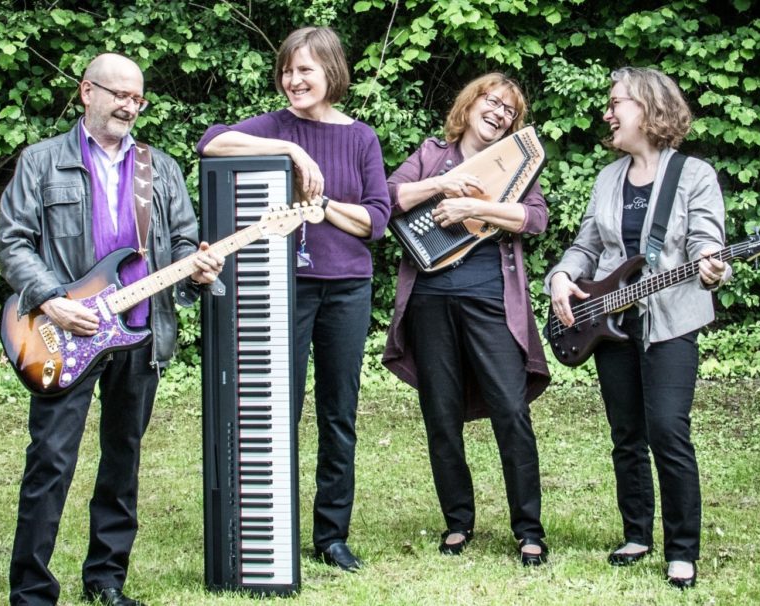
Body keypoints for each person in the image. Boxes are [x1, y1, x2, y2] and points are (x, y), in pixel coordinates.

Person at [0, 52, 223, 606]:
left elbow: (185, 240)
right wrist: (52, 301)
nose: (129, 106)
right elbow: (13, 242)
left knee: (123, 461)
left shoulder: (159, 167)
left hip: (139, 334)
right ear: (87, 92)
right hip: (65, 332)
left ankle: (105, 581)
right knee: (51, 461)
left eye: (137, 97)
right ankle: (31, 592)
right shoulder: (42, 161)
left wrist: (198, 268)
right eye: (119, 94)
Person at [196, 26, 391, 572]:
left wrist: (322, 205)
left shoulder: (361, 138)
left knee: (338, 412)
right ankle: (271, 526)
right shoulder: (275, 127)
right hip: (285, 288)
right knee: (277, 408)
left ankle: (331, 535)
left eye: (305, 69)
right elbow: (211, 143)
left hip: (347, 289)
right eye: (287, 70)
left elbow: (376, 220)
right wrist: (288, 148)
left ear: (332, 71)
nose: (293, 79)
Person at [545, 66, 730, 589]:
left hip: (670, 322)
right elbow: (586, 247)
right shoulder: (608, 178)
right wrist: (561, 277)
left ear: (648, 108)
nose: (608, 113)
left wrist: (713, 265)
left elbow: (707, 241)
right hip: (609, 323)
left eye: (616, 103)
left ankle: (682, 549)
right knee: (626, 434)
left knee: (667, 430)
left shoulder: (693, 175)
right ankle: (636, 533)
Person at [381, 73, 552, 566]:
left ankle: (529, 529)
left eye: (509, 111)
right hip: (429, 300)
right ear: (470, 104)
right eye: (492, 102)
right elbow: (387, 198)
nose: (499, 113)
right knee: (441, 414)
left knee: (511, 410)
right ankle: (458, 522)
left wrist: (475, 207)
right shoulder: (433, 154)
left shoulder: (517, 163)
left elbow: (536, 219)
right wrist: (442, 185)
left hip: (490, 298)